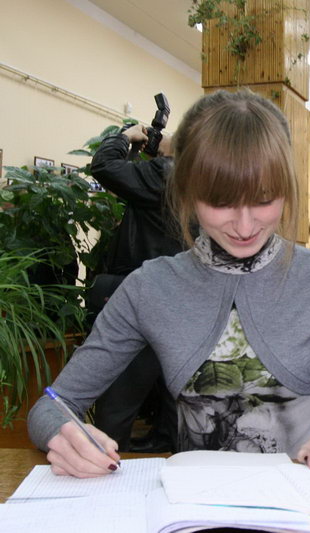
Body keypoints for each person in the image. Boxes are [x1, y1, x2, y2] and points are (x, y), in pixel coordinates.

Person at [27, 90, 310, 477]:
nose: (245, 226)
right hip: (193, 501)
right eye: (221, 203)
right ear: (187, 192)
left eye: (264, 199)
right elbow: (53, 403)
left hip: (306, 497)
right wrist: (63, 434)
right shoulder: (149, 287)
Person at [89, 123, 184, 454]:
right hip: (179, 290)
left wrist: (124, 137)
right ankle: (168, 439)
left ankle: (105, 451)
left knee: (122, 381)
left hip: (146, 292)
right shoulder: (196, 178)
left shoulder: (166, 173)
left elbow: (104, 167)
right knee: (173, 377)